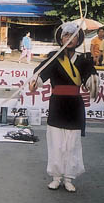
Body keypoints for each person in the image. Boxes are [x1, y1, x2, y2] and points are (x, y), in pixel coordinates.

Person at [29, 23, 99, 192]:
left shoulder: (83, 60)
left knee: (72, 143)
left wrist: (92, 84)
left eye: (74, 36)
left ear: (79, 39)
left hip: (74, 105)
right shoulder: (54, 57)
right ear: (61, 39)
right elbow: (40, 74)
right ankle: (56, 176)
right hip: (57, 104)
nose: (70, 39)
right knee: (56, 143)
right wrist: (35, 81)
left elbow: (92, 78)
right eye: (67, 36)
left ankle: (69, 177)